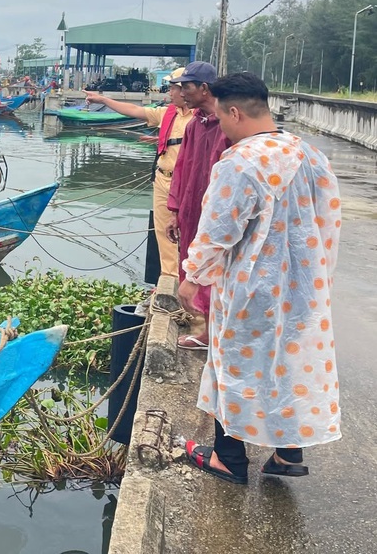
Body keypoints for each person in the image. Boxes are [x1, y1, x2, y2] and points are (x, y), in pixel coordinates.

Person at [177, 71, 341, 485]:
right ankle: (287, 452)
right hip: (303, 283)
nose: (222, 127)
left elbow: (218, 229)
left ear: (234, 112)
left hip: (253, 285)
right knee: (286, 362)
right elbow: (329, 218)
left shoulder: (240, 162)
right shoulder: (309, 154)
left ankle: (229, 458)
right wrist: (319, 274)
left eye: (221, 117)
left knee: (233, 362)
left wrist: (193, 276)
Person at [86, 67, 194, 278]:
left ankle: (187, 280)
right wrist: (104, 100)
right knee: (164, 233)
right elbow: (134, 110)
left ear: (185, 90)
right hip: (162, 179)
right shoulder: (167, 113)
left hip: (186, 183)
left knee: (189, 233)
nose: (169, 92)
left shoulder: (200, 119)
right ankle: (168, 280)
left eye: (173, 88)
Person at [165, 61, 232, 350]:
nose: (182, 93)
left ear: (204, 88)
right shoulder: (195, 125)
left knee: (217, 265)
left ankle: (212, 332)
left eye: (187, 87)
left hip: (217, 209)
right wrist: (174, 211)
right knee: (190, 258)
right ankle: (202, 325)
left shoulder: (226, 126)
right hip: (192, 206)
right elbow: (181, 168)